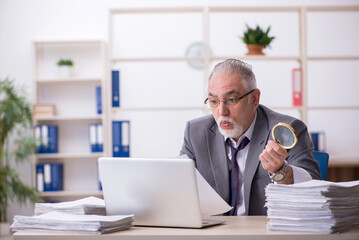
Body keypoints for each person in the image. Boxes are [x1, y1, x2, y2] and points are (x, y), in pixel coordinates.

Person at [180, 59, 321, 216]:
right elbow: (178, 188)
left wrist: (282, 173)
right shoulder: (196, 132)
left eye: (231, 100)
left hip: (264, 232)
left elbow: (315, 190)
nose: (221, 112)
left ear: (254, 98)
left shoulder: (286, 130)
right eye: (213, 101)